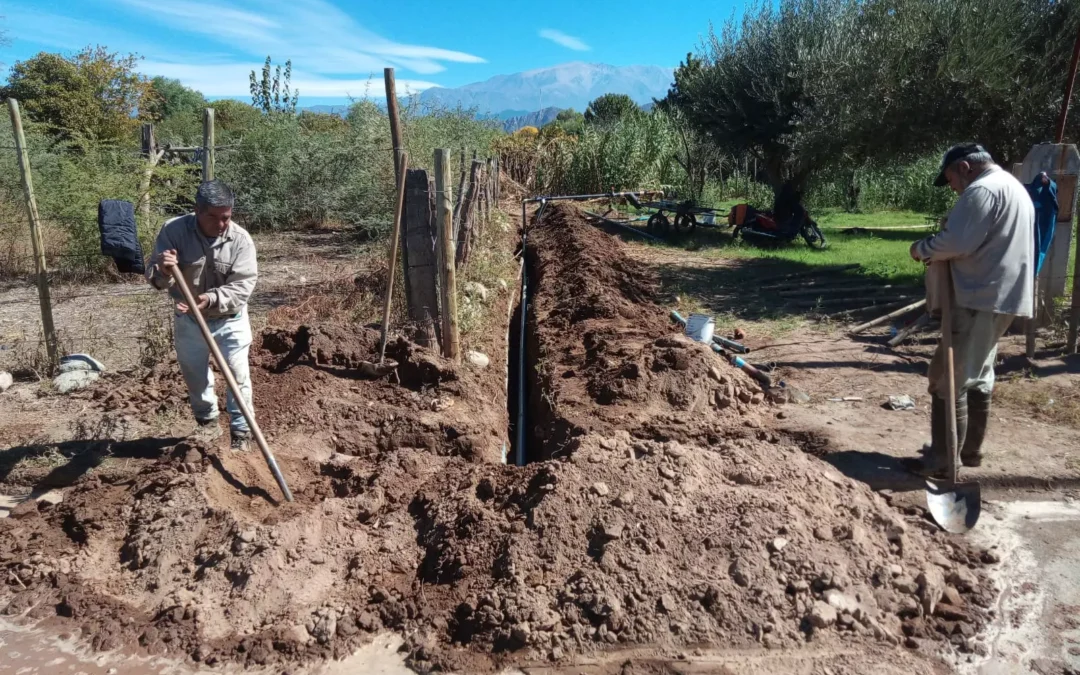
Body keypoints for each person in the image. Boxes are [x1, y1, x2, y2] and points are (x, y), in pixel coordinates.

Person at [907, 143, 1034, 476]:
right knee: (978, 374)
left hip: (979, 296)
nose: (951, 187)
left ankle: (943, 460)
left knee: (948, 377)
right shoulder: (1012, 187)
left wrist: (922, 249)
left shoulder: (982, 191)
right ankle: (970, 451)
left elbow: (957, 243)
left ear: (964, 167)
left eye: (950, 178)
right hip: (1001, 295)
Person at [145, 180, 258, 451]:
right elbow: (156, 280)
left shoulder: (240, 240)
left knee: (237, 374)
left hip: (229, 319)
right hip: (190, 319)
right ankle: (207, 422)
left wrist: (209, 299)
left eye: (226, 217)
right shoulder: (173, 231)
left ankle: (242, 433)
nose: (221, 225)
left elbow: (243, 286)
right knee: (195, 375)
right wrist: (162, 269)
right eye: (214, 217)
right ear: (197, 210)